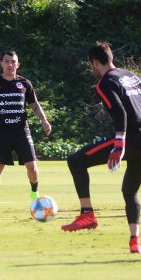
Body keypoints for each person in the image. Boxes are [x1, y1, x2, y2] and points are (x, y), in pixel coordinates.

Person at [61, 41, 141, 254]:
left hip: (132, 137)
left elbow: (120, 112)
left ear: (95, 62)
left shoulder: (105, 83)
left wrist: (119, 143)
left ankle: (87, 214)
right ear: (111, 56)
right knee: (129, 190)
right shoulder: (132, 75)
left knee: (76, 161)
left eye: (92, 65)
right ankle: (135, 240)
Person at [0, 50, 51, 213]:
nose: (9, 64)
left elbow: (34, 104)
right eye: (6, 61)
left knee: (32, 167)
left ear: (18, 64)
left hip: (21, 131)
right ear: (1, 63)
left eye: (13, 61)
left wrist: (44, 120)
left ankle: (35, 194)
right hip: (2, 133)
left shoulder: (25, 83)